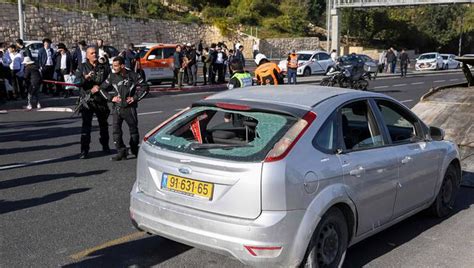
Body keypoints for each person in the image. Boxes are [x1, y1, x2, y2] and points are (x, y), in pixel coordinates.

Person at [99, 56, 149, 161]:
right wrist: (111, 98)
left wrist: (135, 98)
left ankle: (135, 150)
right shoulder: (112, 76)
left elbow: (145, 87)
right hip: (117, 108)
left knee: (134, 130)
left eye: (116, 66)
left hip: (129, 108)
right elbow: (101, 89)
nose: (114, 68)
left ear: (122, 66)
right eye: (112, 65)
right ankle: (121, 152)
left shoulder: (133, 75)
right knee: (116, 131)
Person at [75, 47, 111, 159]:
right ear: (87, 56)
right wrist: (85, 78)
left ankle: (105, 146)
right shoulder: (82, 66)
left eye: (95, 52)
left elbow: (109, 81)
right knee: (86, 126)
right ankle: (84, 150)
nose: (94, 55)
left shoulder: (103, 66)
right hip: (87, 101)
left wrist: (99, 87)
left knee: (104, 125)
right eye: (92, 53)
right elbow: (76, 82)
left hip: (101, 100)